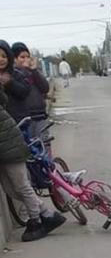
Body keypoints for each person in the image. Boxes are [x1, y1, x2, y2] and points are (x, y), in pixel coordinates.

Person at [0, 43, 66, 241]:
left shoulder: (16, 75)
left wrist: (14, 79)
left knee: (23, 184)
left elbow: (26, 91)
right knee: (12, 188)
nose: (1, 59)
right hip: (6, 142)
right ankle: (47, 214)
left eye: (4, 55)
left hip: (14, 139)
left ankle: (37, 219)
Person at [5, 42, 50, 124]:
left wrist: (34, 71)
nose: (26, 60)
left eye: (28, 57)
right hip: (25, 116)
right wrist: (25, 70)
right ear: (14, 59)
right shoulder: (13, 74)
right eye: (22, 57)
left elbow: (45, 88)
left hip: (40, 113)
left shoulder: (33, 71)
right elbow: (23, 89)